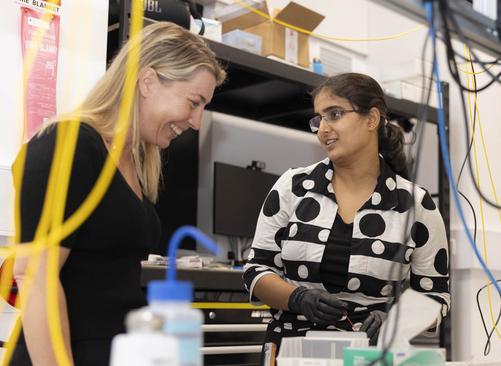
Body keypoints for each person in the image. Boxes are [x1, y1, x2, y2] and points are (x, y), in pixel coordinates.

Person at [10, 22, 226, 366]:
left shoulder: (135, 163)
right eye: (193, 102)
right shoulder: (71, 145)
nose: (197, 122)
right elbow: (35, 276)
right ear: (148, 81)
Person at [243, 73, 450, 362]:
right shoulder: (293, 187)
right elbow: (256, 271)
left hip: (369, 354)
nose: (323, 129)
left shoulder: (416, 205)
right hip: (291, 352)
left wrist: (395, 320)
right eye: (318, 119)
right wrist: (298, 298)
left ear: (371, 119)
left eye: (335, 114)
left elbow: (436, 295)